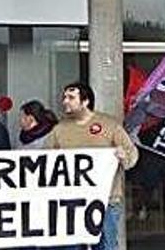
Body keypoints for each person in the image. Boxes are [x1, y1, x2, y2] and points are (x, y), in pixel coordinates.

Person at [45, 83, 138, 250]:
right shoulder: (59, 130)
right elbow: (45, 161)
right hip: (71, 201)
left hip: (106, 199)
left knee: (106, 245)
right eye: (64, 97)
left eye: (71, 98)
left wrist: (124, 156)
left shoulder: (109, 125)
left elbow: (132, 154)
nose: (65, 101)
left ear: (85, 101)